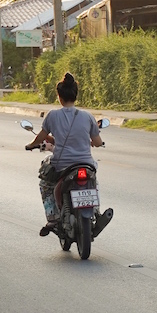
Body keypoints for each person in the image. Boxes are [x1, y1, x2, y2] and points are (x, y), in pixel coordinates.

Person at [25, 72, 104, 236]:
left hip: (62, 165)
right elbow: (97, 142)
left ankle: (53, 217)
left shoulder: (53, 116)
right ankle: (96, 210)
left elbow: (40, 136)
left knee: (45, 183)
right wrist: (94, 143)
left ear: (59, 96)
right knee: (92, 182)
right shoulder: (88, 116)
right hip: (86, 163)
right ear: (75, 95)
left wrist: (31, 145)